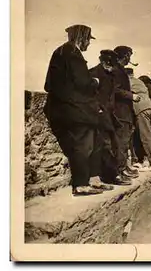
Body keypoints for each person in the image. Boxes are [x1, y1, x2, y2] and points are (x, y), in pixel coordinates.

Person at [43, 24, 110, 196]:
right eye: (88, 39)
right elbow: (82, 83)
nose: (89, 43)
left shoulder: (61, 52)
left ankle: (93, 179)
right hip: (74, 111)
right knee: (83, 146)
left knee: (93, 142)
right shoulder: (73, 53)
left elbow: (48, 85)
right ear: (82, 38)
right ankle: (81, 185)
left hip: (63, 109)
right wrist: (94, 81)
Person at [89, 49, 132, 186]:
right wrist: (98, 109)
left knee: (112, 144)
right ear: (104, 61)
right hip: (98, 114)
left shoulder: (110, 75)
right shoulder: (94, 73)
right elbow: (89, 93)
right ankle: (110, 176)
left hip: (109, 114)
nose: (112, 67)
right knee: (105, 145)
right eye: (110, 63)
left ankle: (112, 174)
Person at [112, 45, 141, 179]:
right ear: (125, 56)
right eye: (129, 55)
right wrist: (131, 96)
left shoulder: (120, 70)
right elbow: (116, 90)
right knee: (121, 143)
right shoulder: (117, 71)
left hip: (125, 112)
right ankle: (120, 171)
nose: (130, 58)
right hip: (120, 112)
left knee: (124, 143)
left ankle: (124, 167)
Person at [126, 68, 151, 172]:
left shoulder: (128, 81)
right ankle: (141, 160)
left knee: (146, 136)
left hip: (142, 110)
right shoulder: (140, 82)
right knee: (141, 135)